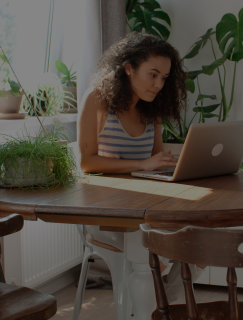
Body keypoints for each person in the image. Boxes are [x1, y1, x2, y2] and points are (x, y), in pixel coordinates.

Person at [77, 32, 204, 303]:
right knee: (157, 248)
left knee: (201, 244)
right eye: (153, 74)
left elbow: (156, 157)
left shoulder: (151, 108)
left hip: (147, 207)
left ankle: (152, 308)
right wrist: (141, 164)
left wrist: (179, 163)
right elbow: (87, 162)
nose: (158, 84)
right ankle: (150, 307)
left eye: (164, 78)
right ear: (129, 68)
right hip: (108, 212)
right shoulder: (97, 100)